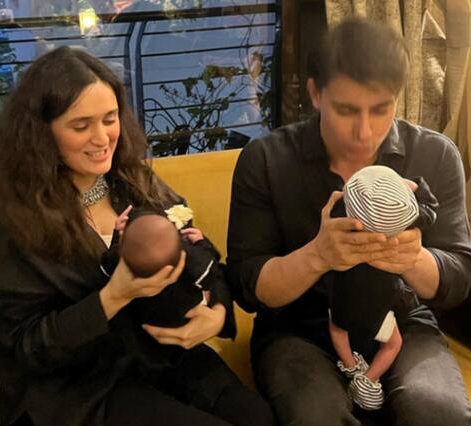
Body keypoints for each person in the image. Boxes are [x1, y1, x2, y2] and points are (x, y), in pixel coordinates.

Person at [0, 46, 274, 426]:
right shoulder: (9, 222)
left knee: (259, 417)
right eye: (81, 126)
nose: (102, 138)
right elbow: (28, 348)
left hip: (158, 357)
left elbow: (199, 255)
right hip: (77, 388)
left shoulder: (133, 182)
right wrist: (114, 295)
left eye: (109, 119)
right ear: (41, 134)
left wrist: (218, 313)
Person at [226, 17, 471, 425]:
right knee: (315, 416)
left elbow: (459, 276)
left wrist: (412, 259)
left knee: (437, 411)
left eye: (381, 109)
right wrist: (317, 256)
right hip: (297, 330)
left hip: (402, 321)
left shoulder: (435, 155)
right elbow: (246, 286)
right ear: (315, 94)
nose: (365, 132)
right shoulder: (266, 160)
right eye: (346, 110)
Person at [328, 165, 438, 411]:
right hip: (379, 308)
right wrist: (414, 186)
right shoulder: (401, 231)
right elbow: (430, 212)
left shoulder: (343, 219)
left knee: (337, 330)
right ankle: (368, 380)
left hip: (343, 299)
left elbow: (341, 199)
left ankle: (351, 366)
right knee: (392, 344)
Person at [101, 207, 222, 328]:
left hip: (142, 321)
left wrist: (117, 236)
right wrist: (201, 243)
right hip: (182, 318)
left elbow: (106, 266)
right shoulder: (189, 258)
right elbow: (209, 273)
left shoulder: (119, 257)